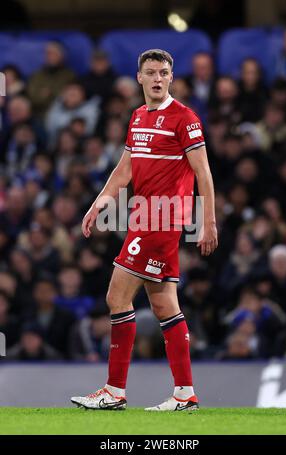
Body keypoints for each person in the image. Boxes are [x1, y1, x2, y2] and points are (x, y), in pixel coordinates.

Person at [71, 49, 218, 411]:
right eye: (150, 72)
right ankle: (184, 393)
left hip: (161, 221)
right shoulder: (137, 117)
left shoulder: (185, 118)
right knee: (165, 304)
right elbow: (125, 169)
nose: (157, 78)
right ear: (139, 77)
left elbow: (203, 173)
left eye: (163, 72)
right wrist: (99, 202)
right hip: (144, 217)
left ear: (171, 78)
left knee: (116, 297)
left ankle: (114, 391)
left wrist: (209, 220)